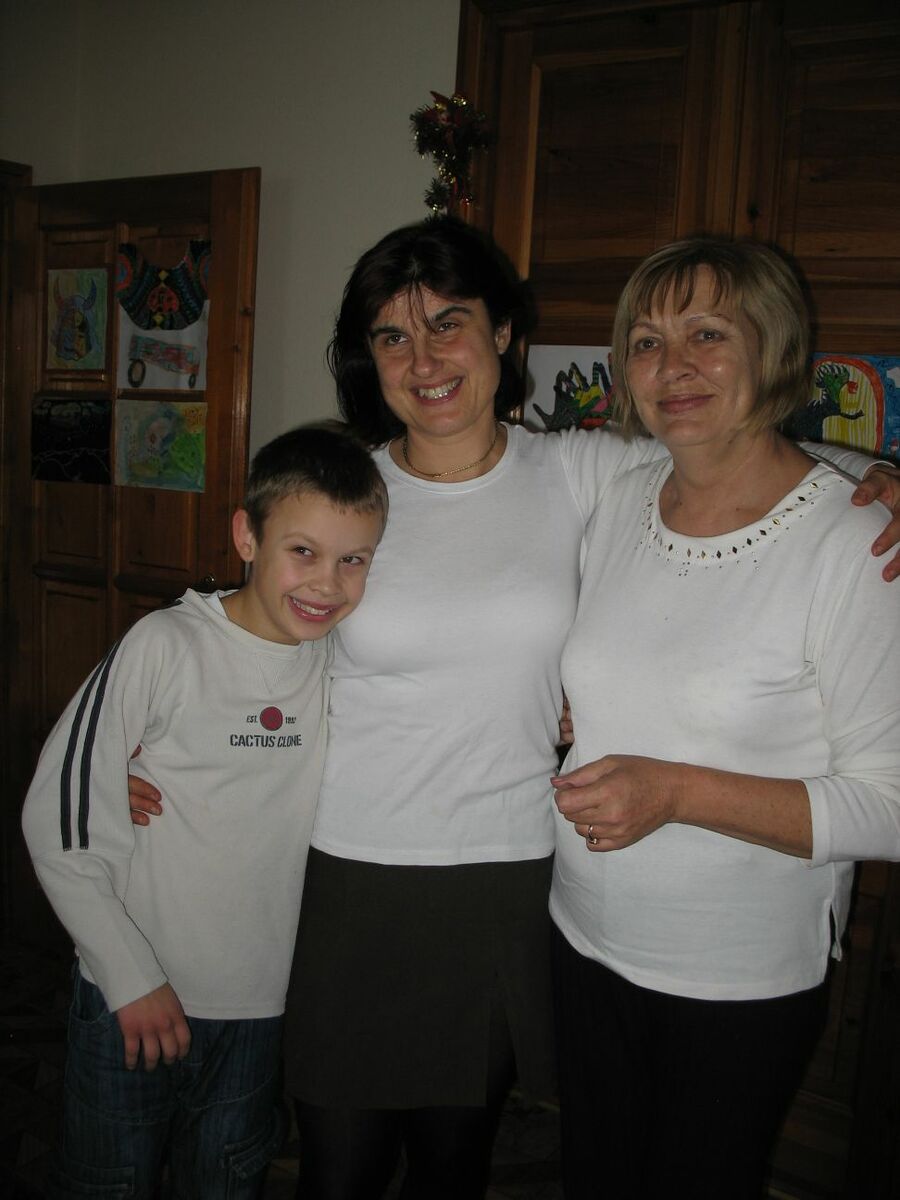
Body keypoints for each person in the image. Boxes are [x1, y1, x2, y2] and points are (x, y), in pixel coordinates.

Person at [128, 219, 900, 1200]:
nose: (424, 360)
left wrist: (876, 478)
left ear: (502, 334)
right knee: (340, 1167)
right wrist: (164, 742)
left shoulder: (582, 472)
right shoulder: (347, 490)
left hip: (508, 871)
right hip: (352, 870)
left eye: (449, 323)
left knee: (457, 1163)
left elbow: (730, 451)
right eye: (392, 336)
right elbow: (253, 635)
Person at [549, 237, 900, 1199]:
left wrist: (675, 792)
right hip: (581, 934)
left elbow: (890, 806)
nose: (674, 367)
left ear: (773, 348)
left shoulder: (855, 542)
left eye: (708, 334)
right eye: (647, 342)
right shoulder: (621, 500)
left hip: (736, 977)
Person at [22, 424, 387, 1200]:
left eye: (354, 559)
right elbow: (57, 816)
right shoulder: (164, 645)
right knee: (106, 1182)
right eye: (303, 551)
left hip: (257, 1009)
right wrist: (129, 976)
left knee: (225, 1182)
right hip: (128, 993)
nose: (328, 583)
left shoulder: (339, 659)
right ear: (247, 537)